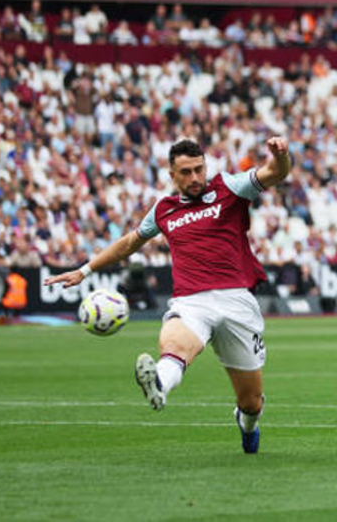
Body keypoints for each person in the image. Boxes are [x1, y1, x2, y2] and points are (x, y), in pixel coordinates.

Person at [44, 137, 292, 454]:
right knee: (174, 345)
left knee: (251, 401)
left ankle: (247, 424)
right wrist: (85, 270)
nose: (195, 178)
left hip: (236, 300)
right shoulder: (164, 210)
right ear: (172, 175)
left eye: (199, 169)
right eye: (186, 172)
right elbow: (130, 242)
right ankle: (158, 385)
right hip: (191, 301)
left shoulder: (229, 187)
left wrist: (281, 156)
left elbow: (275, 173)